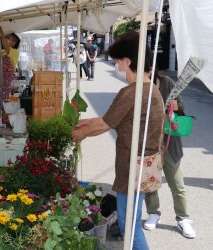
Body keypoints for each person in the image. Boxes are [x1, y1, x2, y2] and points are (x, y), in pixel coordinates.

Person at [72, 31, 165, 250]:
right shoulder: (150, 89)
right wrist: (85, 123)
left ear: (127, 61)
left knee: (129, 227)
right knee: (130, 223)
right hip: (144, 165)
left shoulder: (132, 92)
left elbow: (105, 125)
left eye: (116, 60)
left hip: (133, 167)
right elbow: (109, 118)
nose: (115, 64)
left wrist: (80, 134)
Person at [144, 72, 196, 238]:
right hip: (150, 143)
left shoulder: (166, 82)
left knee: (177, 183)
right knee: (150, 182)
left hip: (170, 143)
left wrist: (176, 105)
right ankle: (154, 213)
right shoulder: (138, 86)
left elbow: (181, 105)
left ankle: (183, 218)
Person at [0, 24, 21, 101]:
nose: (8, 40)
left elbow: (5, 45)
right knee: (0, 99)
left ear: (14, 44)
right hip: (1, 78)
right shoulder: (2, 51)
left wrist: (1, 30)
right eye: (8, 37)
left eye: (11, 39)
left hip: (8, 80)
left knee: (7, 99)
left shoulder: (15, 52)